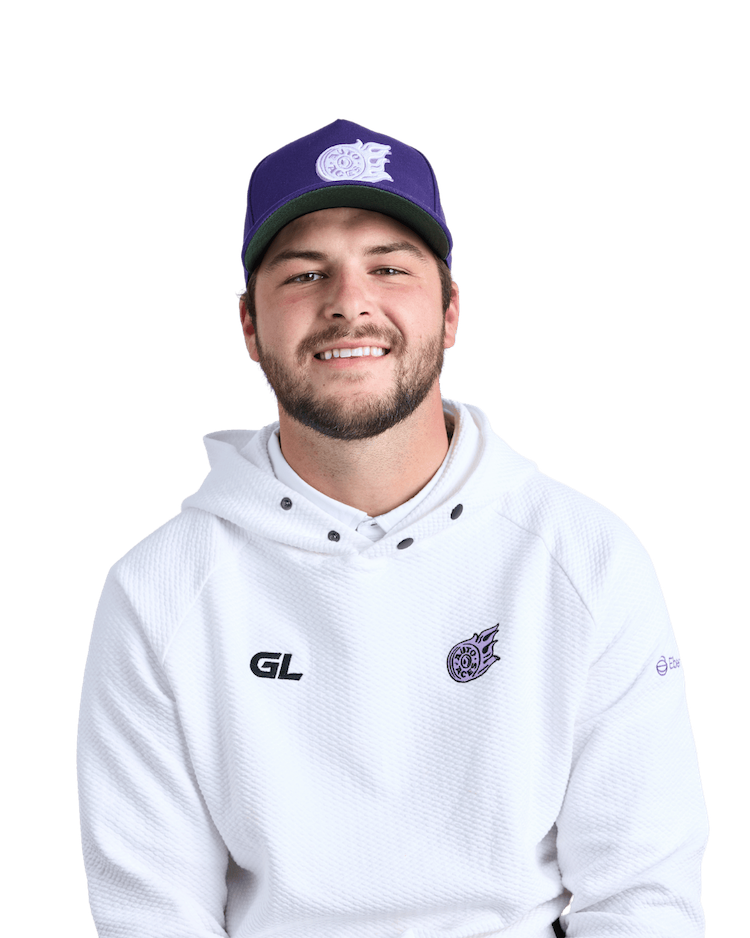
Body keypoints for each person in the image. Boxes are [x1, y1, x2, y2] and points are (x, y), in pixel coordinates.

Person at [76, 118, 709, 937]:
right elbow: (151, 918)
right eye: (306, 273)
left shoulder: (585, 557)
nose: (349, 302)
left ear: (451, 311)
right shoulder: (157, 591)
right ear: (248, 328)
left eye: (388, 267)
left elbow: (644, 900)